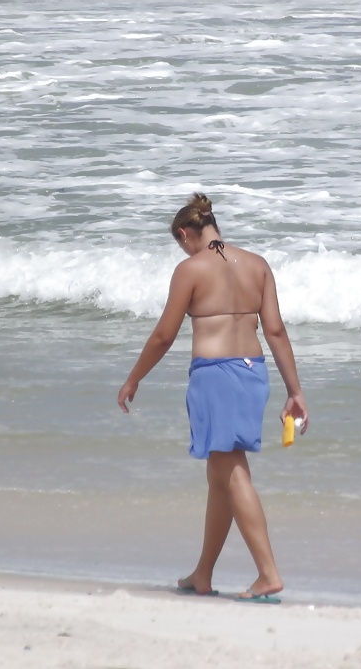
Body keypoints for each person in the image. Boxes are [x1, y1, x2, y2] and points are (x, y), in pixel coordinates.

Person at [117, 192, 309, 603]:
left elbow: (164, 334)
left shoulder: (190, 269)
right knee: (219, 474)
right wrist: (295, 390)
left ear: (186, 234)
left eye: (180, 241)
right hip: (253, 372)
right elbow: (274, 331)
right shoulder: (258, 265)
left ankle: (268, 574)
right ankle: (202, 573)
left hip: (215, 375)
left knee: (232, 470)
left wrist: (134, 377)